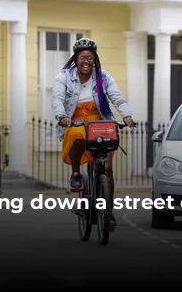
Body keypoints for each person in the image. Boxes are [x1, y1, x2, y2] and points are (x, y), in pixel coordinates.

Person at [52, 37, 135, 226]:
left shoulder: (103, 77)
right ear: (76, 59)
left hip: (100, 120)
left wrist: (127, 115)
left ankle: (108, 212)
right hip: (75, 119)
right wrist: (62, 116)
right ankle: (76, 174)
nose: (86, 62)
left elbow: (117, 97)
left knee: (106, 168)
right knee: (75, 135)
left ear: (94, 58)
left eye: (90, 57)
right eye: (82, 58)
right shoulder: (64, 76)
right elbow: (57, 98)